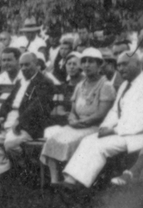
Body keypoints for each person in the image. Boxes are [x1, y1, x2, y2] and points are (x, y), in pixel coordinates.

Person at [63, 52, 143, 189]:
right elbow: (115, 111)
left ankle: (79, 184)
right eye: (119, 65)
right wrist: (105, 126)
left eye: (125, 64)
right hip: (124, 131)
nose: (121, 68)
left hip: (139, 135)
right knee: (89, 140)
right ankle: (71, 180)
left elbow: (141, 122)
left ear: (139, 64)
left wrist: (113, 130)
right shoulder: (125, 85)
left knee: (98, 146)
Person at [40, 48, 116, 183]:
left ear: (99, 65)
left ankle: (71, 180)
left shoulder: (106, 85)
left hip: (94, 127)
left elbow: (101, 114)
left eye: (91, 62)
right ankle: (54, 181)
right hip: (77, 125)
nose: (86, 65)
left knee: (70, 142)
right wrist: (72, 119)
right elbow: (73, 110)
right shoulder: (80, 85)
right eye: (84, 61)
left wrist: (81, 123)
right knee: (52, 140)